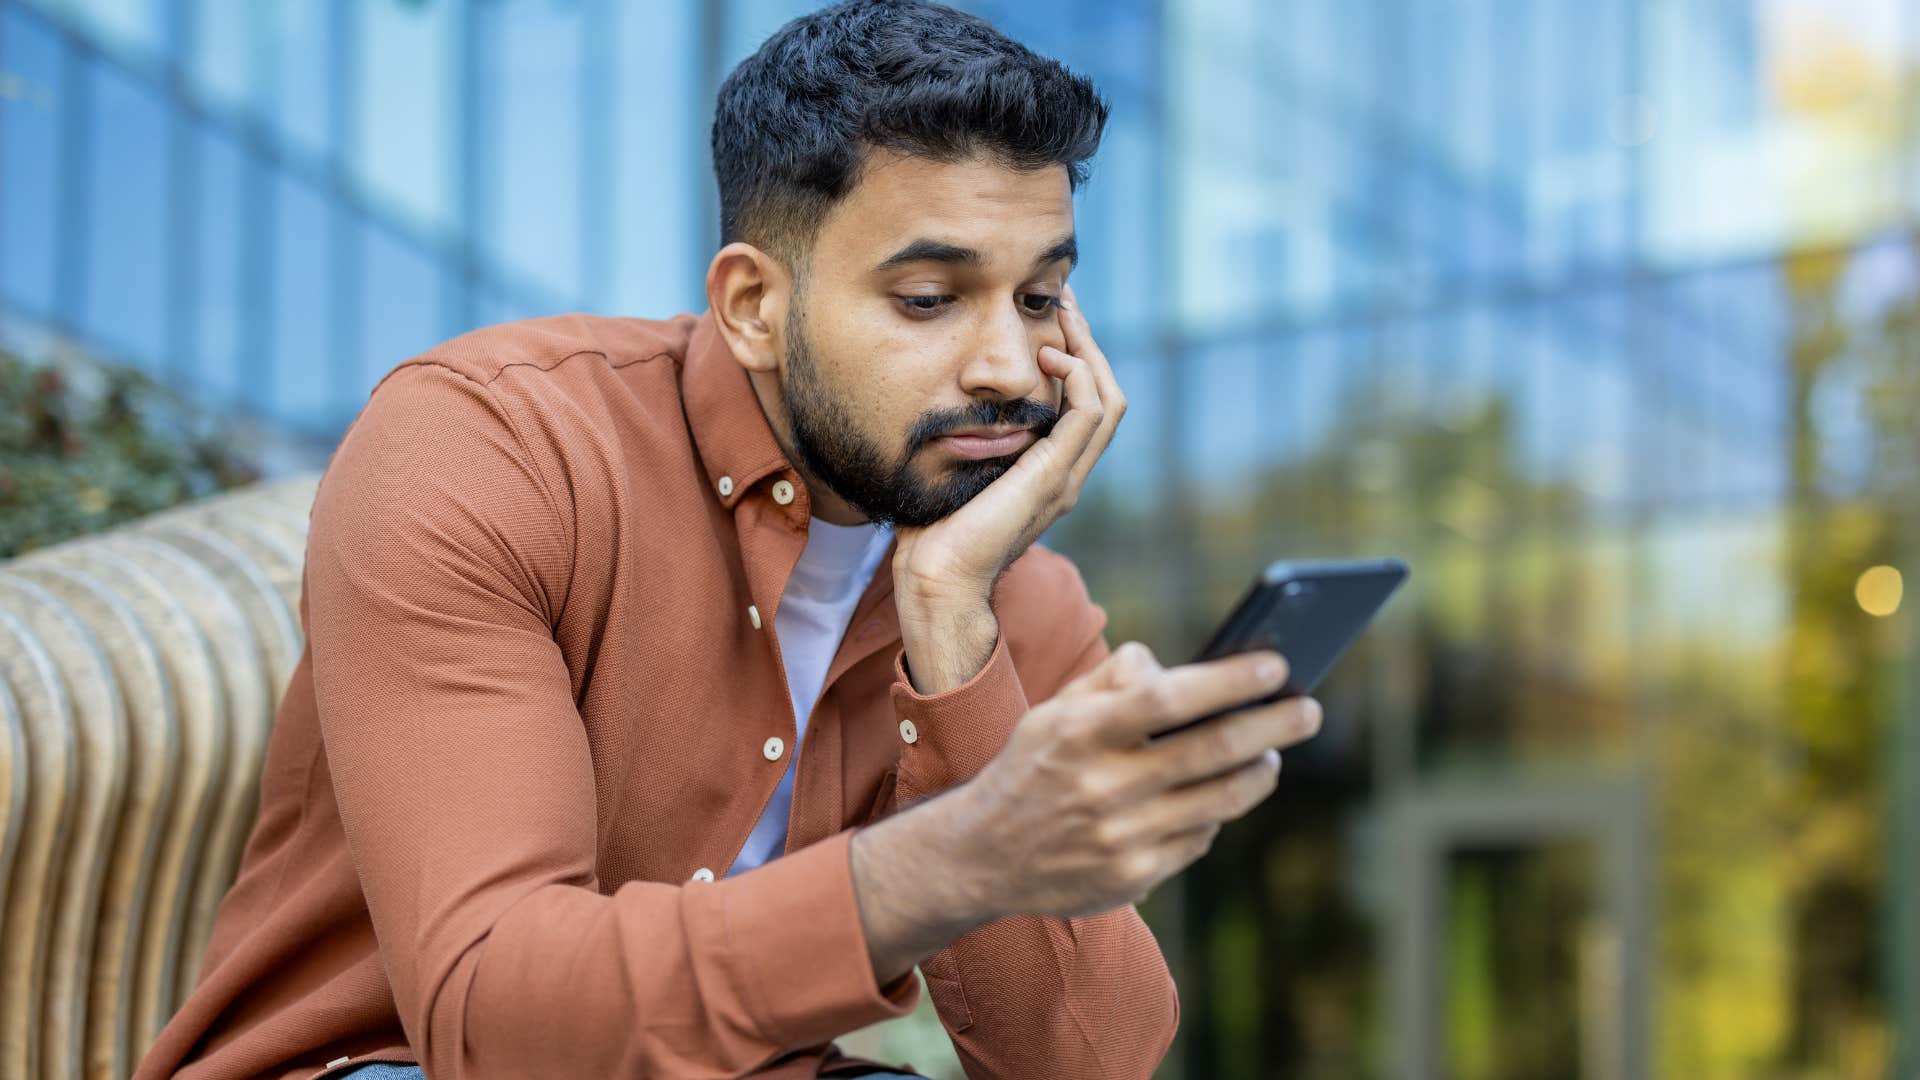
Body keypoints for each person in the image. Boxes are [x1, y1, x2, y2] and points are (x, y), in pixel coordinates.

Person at [133, 1, 1322, 1077]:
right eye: (929, 299)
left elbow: (1084, 1065)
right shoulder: (494, 447)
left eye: (1039, 295)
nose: (1011, 367)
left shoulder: (1006, 583)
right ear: (755, 304)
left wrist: (957, 625)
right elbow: (491, 1013)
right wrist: (964, 855)